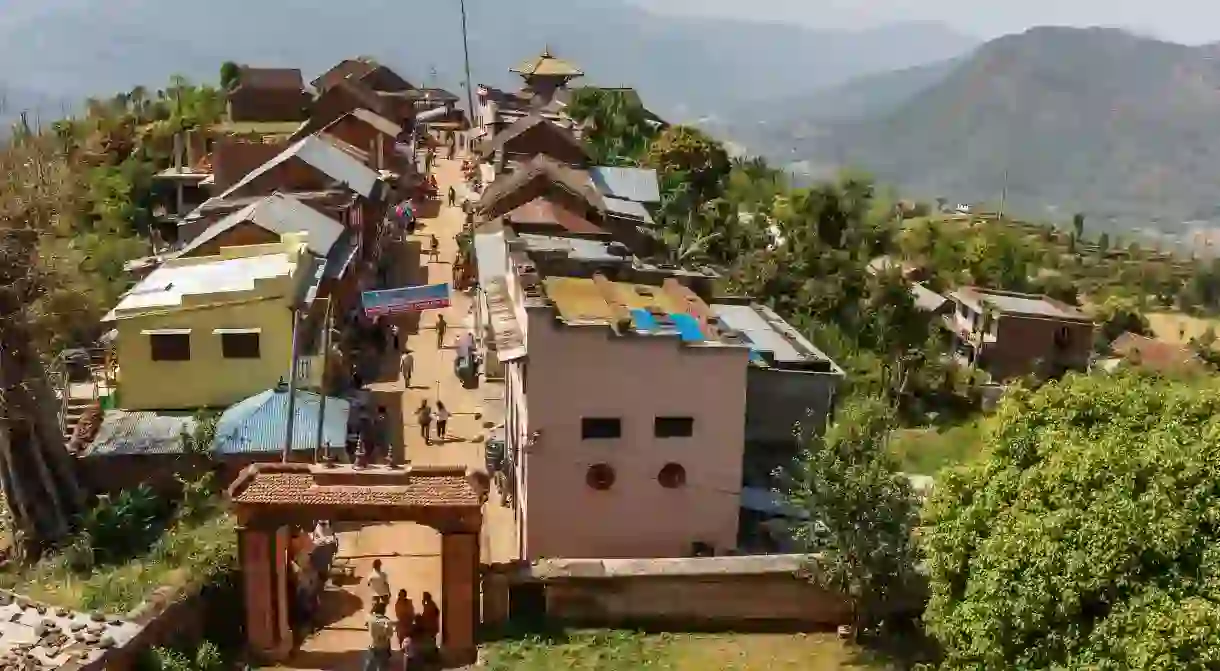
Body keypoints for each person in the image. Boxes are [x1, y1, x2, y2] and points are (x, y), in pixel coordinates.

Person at [365, 602, 394, 671]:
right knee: (382, 667)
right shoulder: (387, 620)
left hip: (374, 645)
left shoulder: (372, 619)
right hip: (384, 646)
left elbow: (371, 632)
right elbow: (390, 634)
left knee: (370, 665)